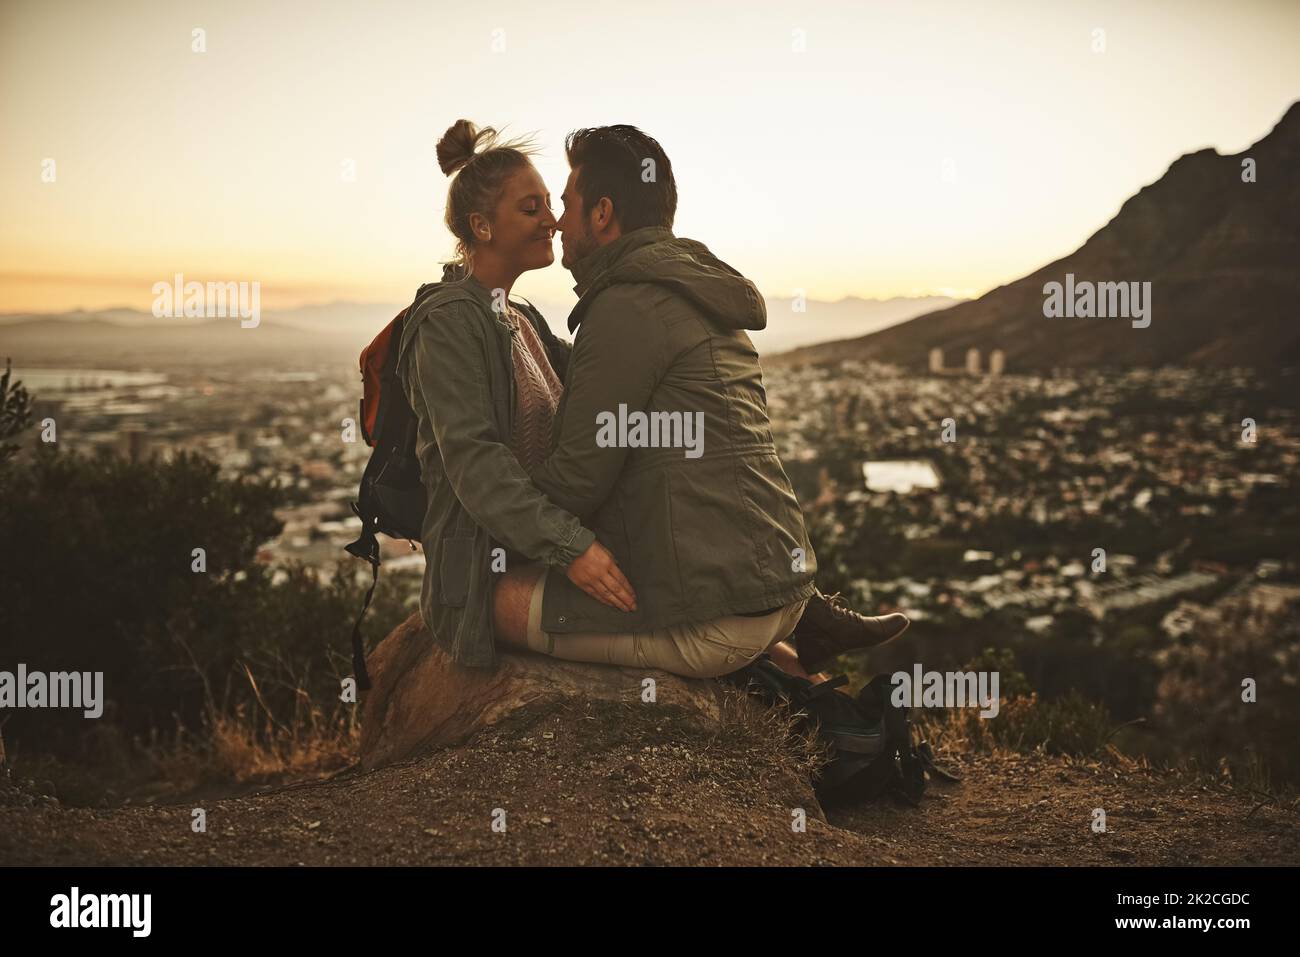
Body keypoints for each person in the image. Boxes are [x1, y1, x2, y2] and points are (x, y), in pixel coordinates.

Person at [398, 119, 908, 682]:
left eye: (556, 203)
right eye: (532, 208)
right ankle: (800, 653)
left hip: (650, 569)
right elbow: (477, 463)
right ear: (481, 226)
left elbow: (588, 457)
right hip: (502, 551)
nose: (553, 219)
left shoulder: (538, 320)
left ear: (602, 213)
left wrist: (570, 544)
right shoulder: (452, 323)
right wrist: (571, 546)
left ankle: (793, 658)